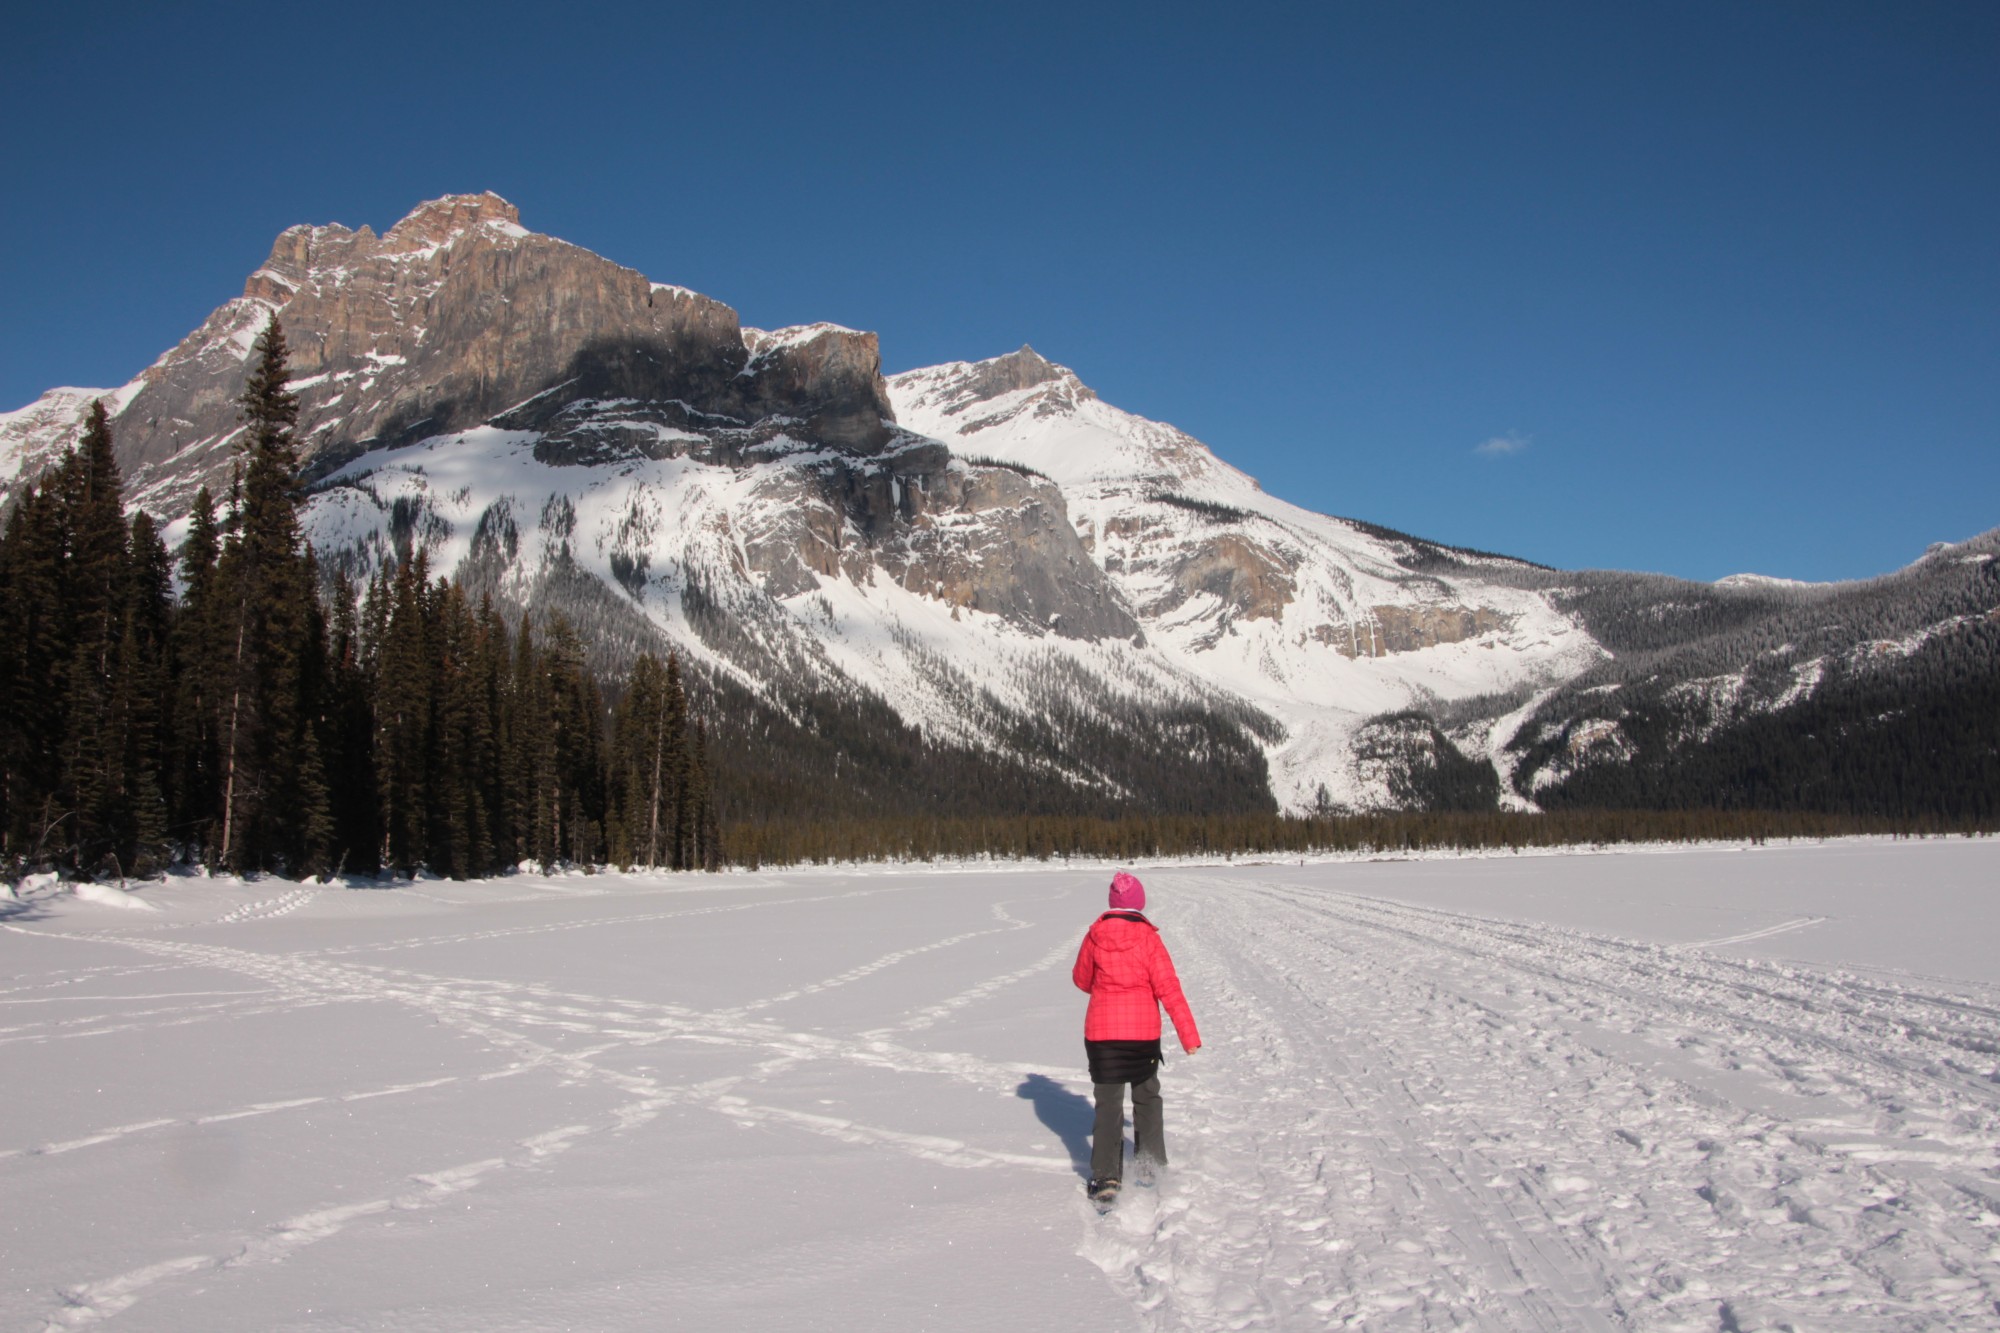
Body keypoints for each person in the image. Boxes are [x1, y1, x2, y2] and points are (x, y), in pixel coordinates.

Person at [1071, 870, 1200, 1207]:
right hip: (1142, 1036)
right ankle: (1151, 1166)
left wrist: (1105, 988)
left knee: (1108, 1105)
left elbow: (1081, 979)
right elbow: (1168, 988)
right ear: (1139, 904)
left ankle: (1104, 1177)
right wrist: (1189, 1035)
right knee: (1146, 1098)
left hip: (1102, 1036)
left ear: (1113, 903)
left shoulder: (1094, 935)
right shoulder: (1149, 939)